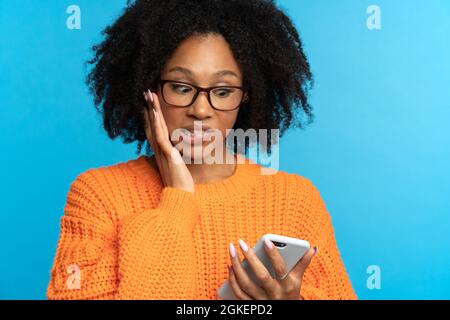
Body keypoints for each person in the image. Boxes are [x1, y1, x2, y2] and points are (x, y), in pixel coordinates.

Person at [47, 0, 357, 300]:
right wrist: (177, 200)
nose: (201, 109)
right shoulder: (98, 195)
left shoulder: (295, 200)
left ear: (248, 96)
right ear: (149, 89)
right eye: (182, 87)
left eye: (222, 91)